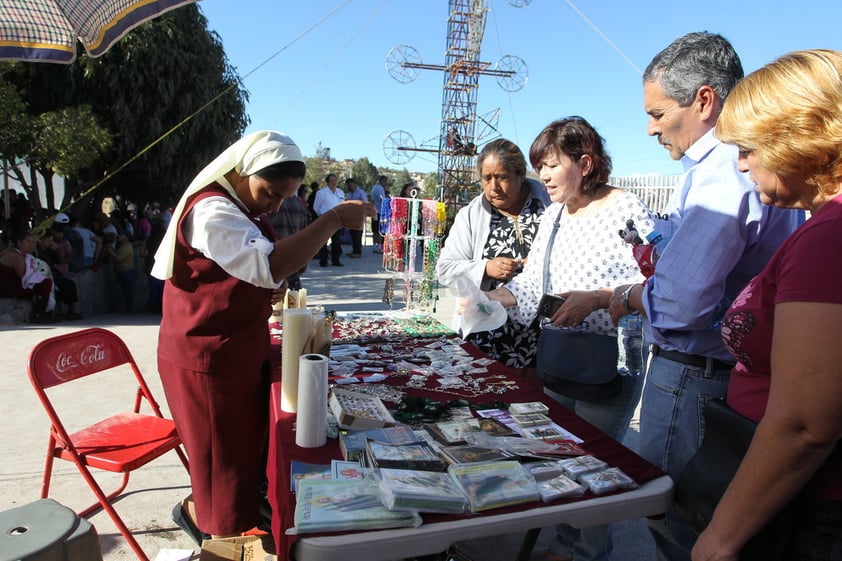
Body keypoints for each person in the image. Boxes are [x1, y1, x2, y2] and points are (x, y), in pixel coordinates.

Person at [606, 32, 805, 561]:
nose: (649, 128)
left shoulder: (722, 172)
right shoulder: (737, 169)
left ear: (702, 100)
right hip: (720, 375)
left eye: (656, 113)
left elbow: (683, 304)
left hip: (694, 375)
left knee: (680, 526)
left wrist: (630, 297)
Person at [151, 130, 371, 543]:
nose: (275, 204)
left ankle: (228, 522)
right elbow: (267, 264)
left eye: (284, 197)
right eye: (270, 193)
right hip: (206, 357)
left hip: (238, 345)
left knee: (242, 455)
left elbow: (249, 273)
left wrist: (262, 290)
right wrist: (335, 220)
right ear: (244, 172)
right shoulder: (212, 212)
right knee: (221, 464)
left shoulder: (243, 210)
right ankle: (212, 530)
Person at [688, 49, 842, 561]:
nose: (743, 163)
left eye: (750, 148)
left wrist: (721, 537)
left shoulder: (830, 236)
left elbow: (804, 423)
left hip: (807, 510)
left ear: (799, 133)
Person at [482, 117, 654, 561]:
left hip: (606, 362)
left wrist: (598, 300)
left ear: (585, 162)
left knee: (596, 465)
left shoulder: (626, 210)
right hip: (558, 357)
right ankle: (564, 544)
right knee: (561, 455)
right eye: (540, 165)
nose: (544, 175)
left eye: (552, 165)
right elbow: (531, 286)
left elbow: (653, 283)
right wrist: (492, 299)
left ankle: (587, 552)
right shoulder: (555, 215)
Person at [437, 138, 550, 371]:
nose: (493, 188)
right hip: (485, 335)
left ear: (520, 175)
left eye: (502, 177)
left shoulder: (549, 208)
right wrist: (485, 268)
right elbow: (445, 269)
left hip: (539, 337)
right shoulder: (471, 215)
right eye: (486, 179)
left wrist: (538, 264)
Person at [0, 230, 55, 323]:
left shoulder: (26, 256)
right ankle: (38, 315)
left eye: (33, 242)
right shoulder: (15, 255)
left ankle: (44, 314)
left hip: (16, 285)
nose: (32, 245)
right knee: (46, 283)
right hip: (7, 289)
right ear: (20, 243)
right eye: (29, 242)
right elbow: (25, 276)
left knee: (45, 281)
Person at [267, 192, 309, 290]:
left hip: (271, 263)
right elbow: (305, 238)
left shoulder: (269, 203)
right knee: (293, 302)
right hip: (292, 264)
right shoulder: (299, 205)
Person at [312, 173, 346, 267]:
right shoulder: (321, 193)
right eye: (331, 181)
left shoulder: (340, 192)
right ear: (327, 182)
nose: (334, 182)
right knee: (323, 241)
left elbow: (343, 205)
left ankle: (336, 260)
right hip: (325, 219)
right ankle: (323, 261)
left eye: (335, 180)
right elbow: (316, 207)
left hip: (337, 220)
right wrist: (322, 216)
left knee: (336, 241)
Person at [345, 178, 368, 258]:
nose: (348, 187)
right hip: (351, 216)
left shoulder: (361, 192)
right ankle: (354, 250)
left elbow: (365, 203)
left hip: (359, 216)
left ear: (353, 184)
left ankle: (358, 252)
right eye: (347, 186)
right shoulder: (350, 193)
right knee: (353, 234)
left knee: (357, 234)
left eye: (349, 185)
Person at [370, 175, 388, 253]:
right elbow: (383, 199)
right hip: (380, 211)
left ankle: (375, 245)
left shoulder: (374, 187)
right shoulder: (380, 188)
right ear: (382, 181)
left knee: (375, 230)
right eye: (385, 181)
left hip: (374, 210)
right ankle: (379, 246)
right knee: (380, 230)